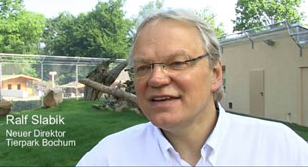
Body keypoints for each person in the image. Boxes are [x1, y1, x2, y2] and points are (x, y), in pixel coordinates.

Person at [77, 9, 308, 166]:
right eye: (144, 67)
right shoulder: (107, 158)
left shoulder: (281, 150)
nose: (156, 79)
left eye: (177, 63)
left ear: (215, 74)